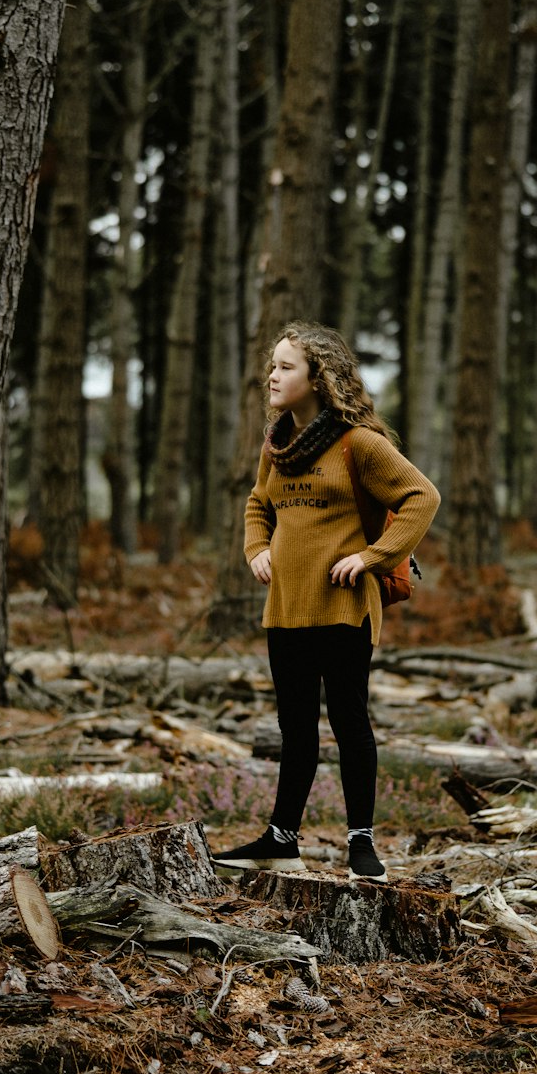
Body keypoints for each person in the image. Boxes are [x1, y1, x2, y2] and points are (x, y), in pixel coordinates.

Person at [212, 322, 440, 882]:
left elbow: (421, 496)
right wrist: (256, 548)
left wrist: (374, 556)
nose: (272, 375)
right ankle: (281, 838)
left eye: (286, 367)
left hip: (344, 609)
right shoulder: (277, 444)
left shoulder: (355, 441)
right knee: (295, 728)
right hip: (287, 608)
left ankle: (360, 842)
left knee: (349, 721)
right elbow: (257, 503)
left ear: (319, 377)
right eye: (272, 365)